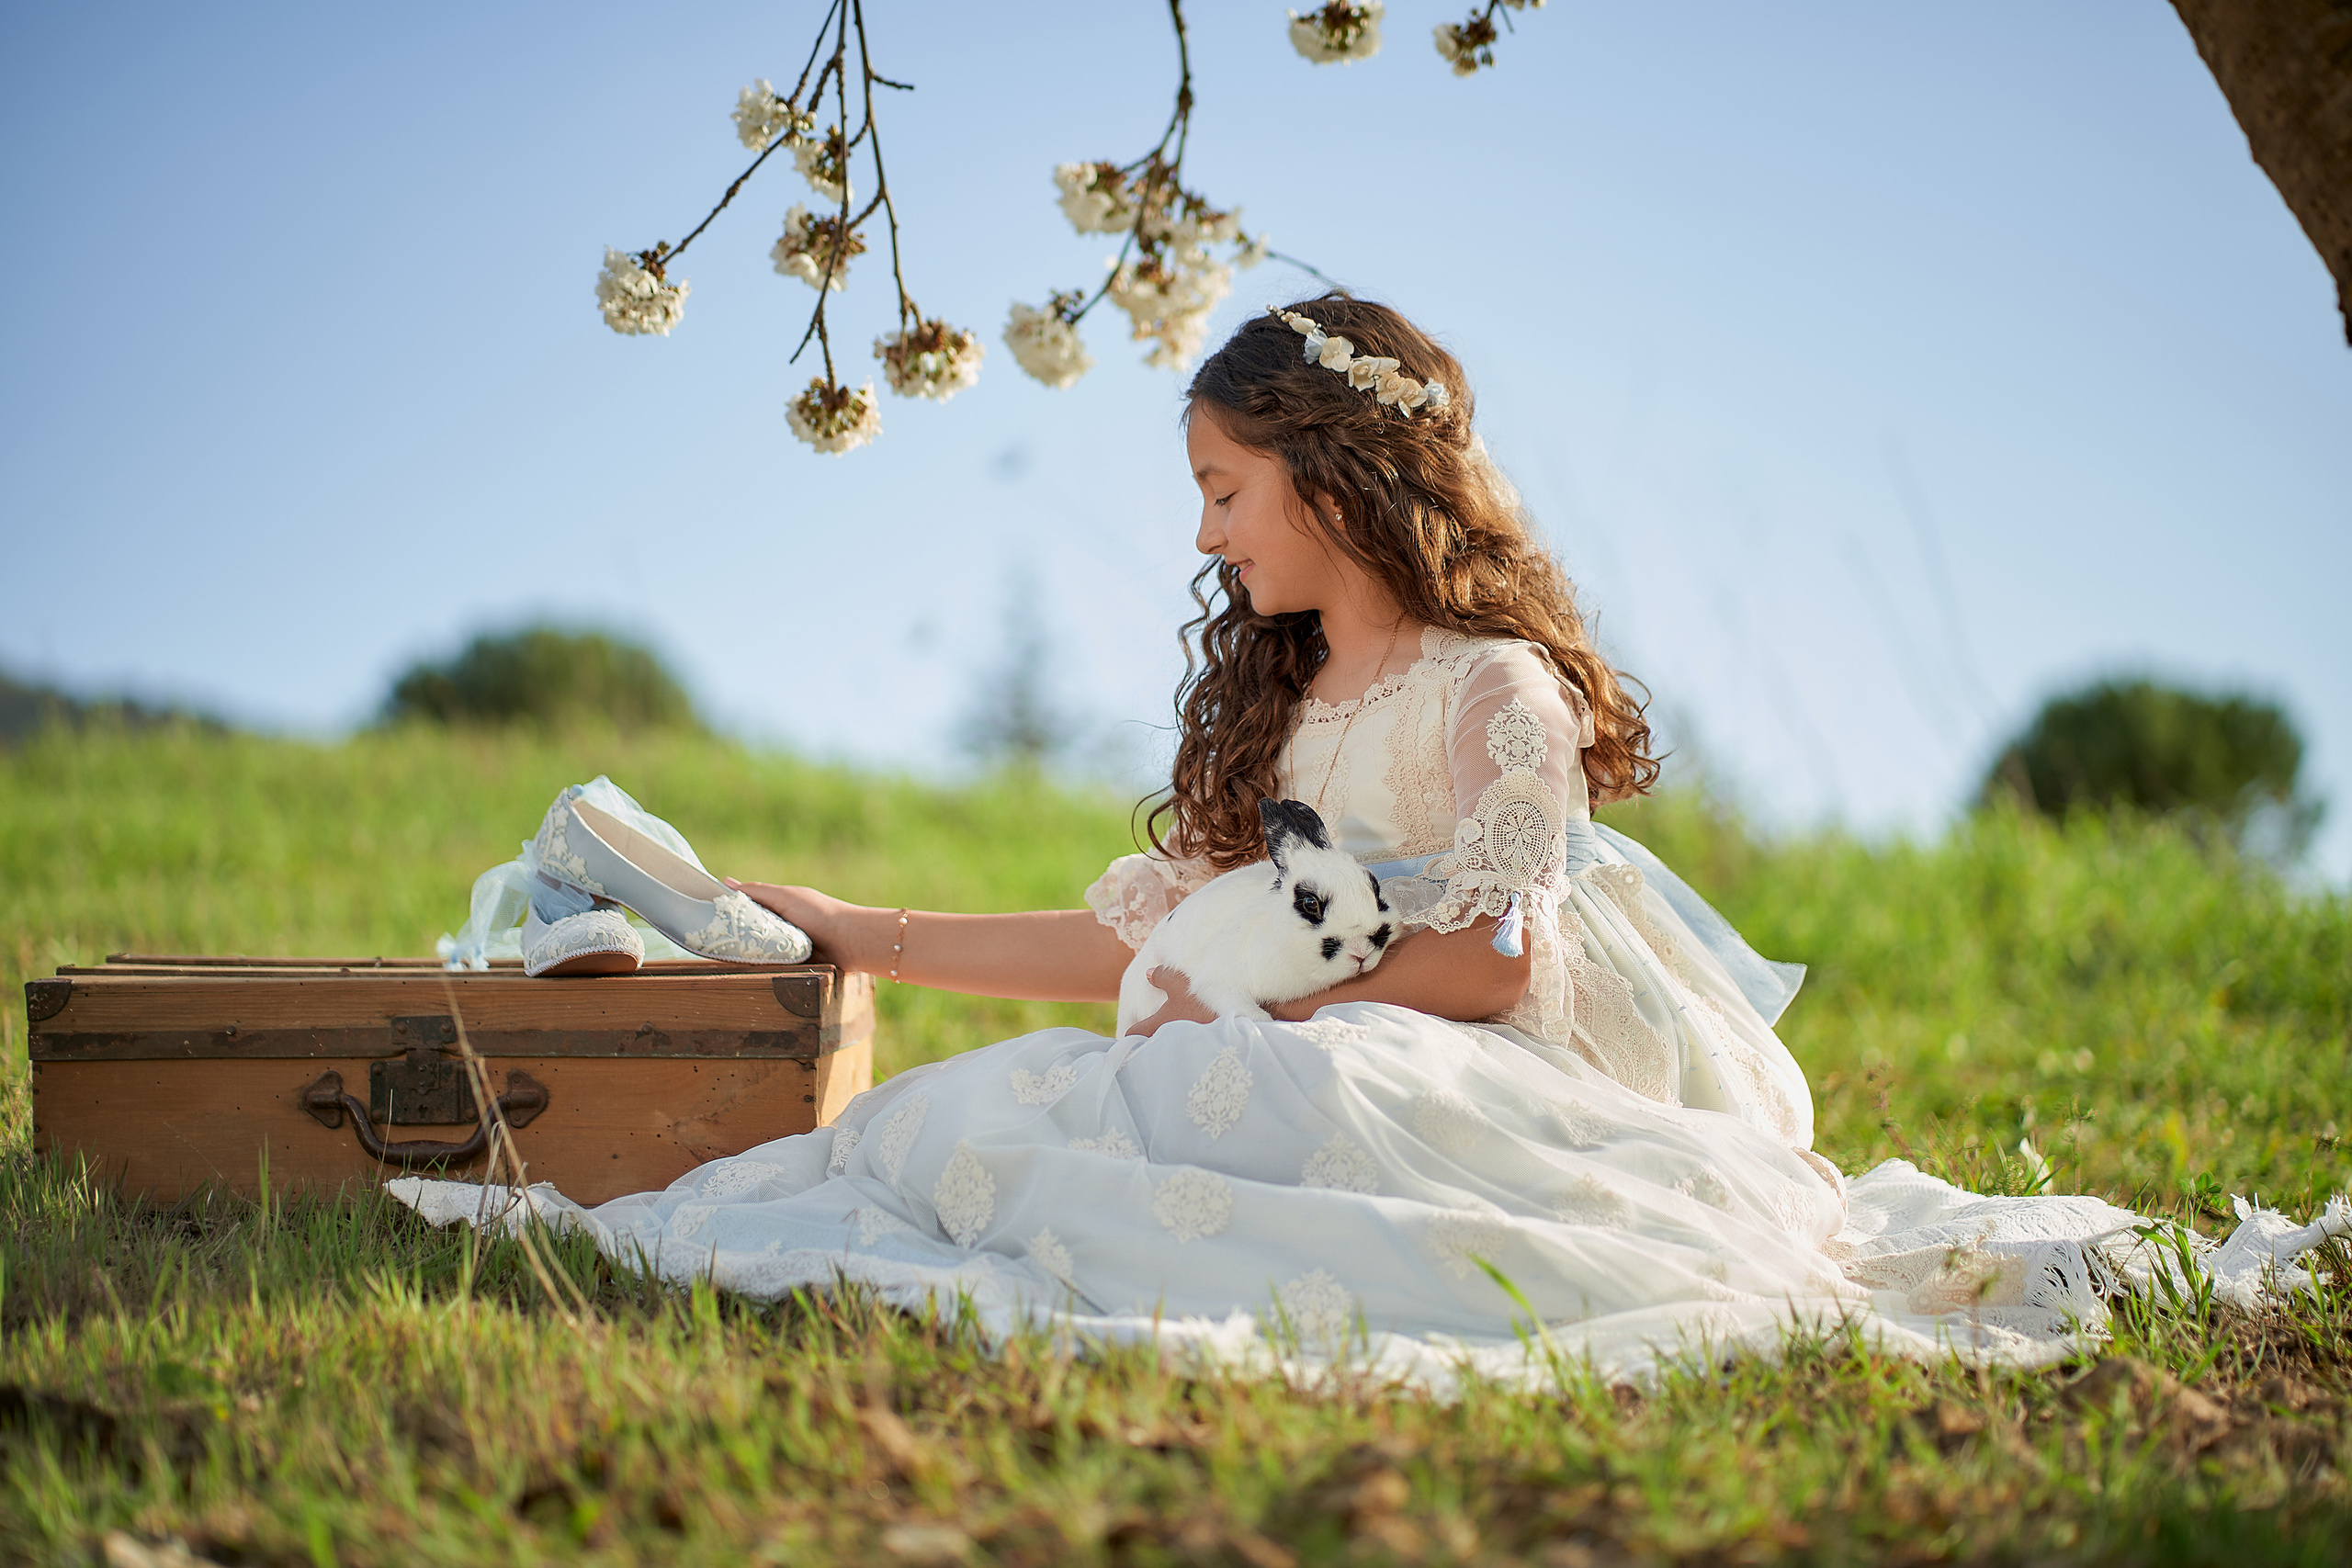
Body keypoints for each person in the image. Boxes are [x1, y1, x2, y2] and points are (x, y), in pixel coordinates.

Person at [392, 298, 2335, 1389]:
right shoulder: (1297, 705)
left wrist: (1251, 1010)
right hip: (1302, 1035)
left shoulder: (1495, 690)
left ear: (1337, 474)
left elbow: (1494, 969)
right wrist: (859, 929)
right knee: (1039, 1102)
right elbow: (1149, 936)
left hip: (1469, 1057)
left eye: (1223, 487)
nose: (1205, 532)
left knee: (1225, 1088)